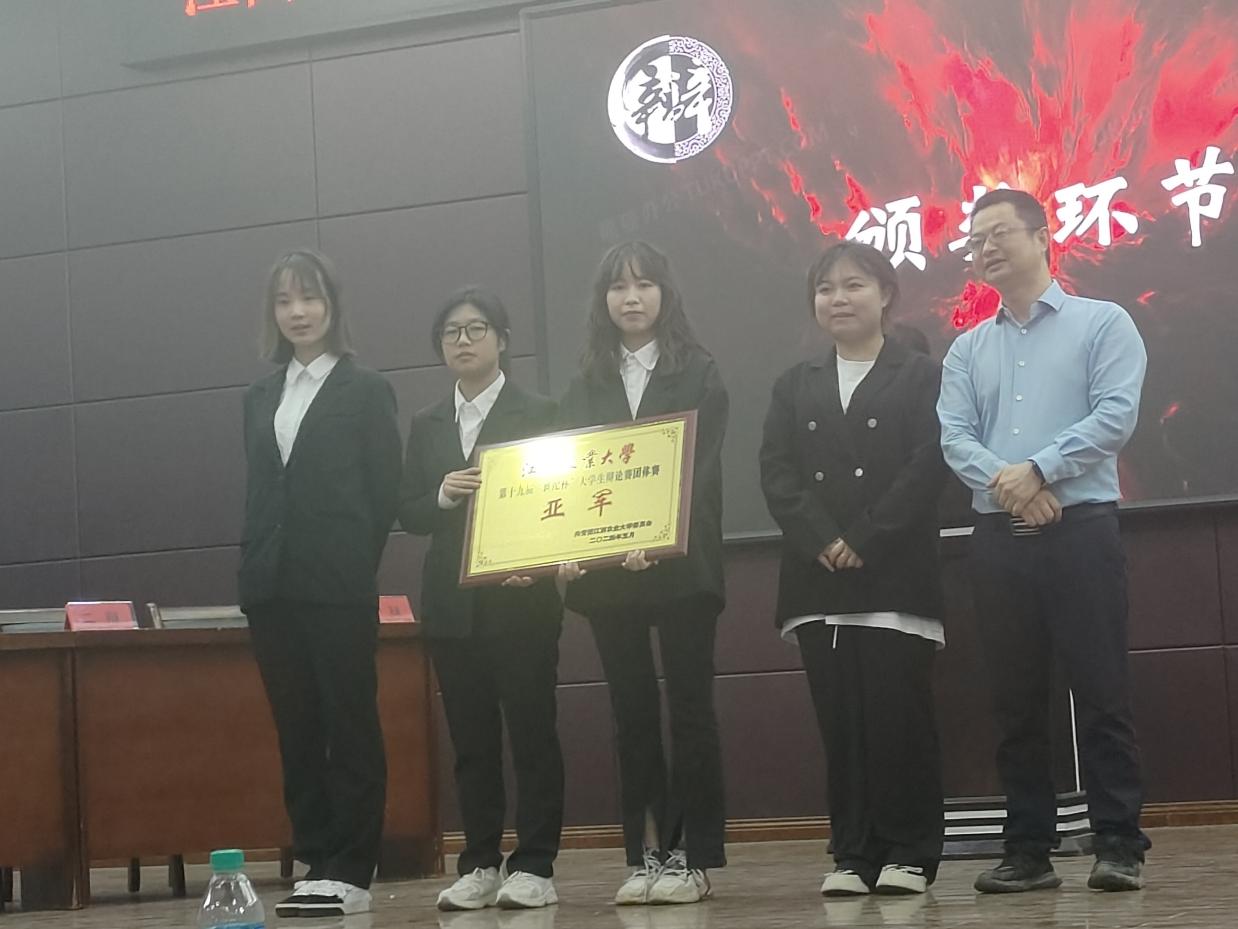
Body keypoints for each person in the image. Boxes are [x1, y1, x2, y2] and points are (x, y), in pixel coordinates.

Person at [937, 188, 1150, 893]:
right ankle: (1028, 848)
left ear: (1042, 237)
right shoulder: (968, 348)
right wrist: (1015, 486)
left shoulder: (1103, 323)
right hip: (999, 539)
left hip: (1081, 530)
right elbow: (955, 438)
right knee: (1015, 700)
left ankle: (1118, 842)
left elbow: (1114, 416)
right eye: (976, 241)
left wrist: (1038, 469)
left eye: (999, 233)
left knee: (1102, 689)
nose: (986, 248)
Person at [760, 241, 948, 897]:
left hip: (893, 573)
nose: (838, 299)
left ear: (886, 294)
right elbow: (777, 472)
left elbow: (928, 464)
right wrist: (822, 538)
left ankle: (909, 852)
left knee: (899, 719)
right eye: (826, 288)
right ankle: (852, 852)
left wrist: (866, 535)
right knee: (840, 724)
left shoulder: (922, 375)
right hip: (819, 579)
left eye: (854, 285)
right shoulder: (795, 382)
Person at [558, 241, 728, 906]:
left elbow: (701, 471)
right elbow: (573, 475)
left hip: (682, 568)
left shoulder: (699, 371)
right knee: (630, 713)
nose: (631, 298)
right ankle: (645, 853)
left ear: (665, 294)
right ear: (602, 300)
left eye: (644, 285)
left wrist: (658, 536)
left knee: (689, 709)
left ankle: (692, 856)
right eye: (618, 287)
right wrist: (572, 543)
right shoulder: (587, 381)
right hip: (610, 575)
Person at [238, 250, 402, 918]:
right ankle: (315, 856)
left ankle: (353, 866)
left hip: (337, 585)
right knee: (297, 726)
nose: (297, 312)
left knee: (349, 722)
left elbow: (384, 494)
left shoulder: (365, 389)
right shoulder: (259, 396)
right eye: (284, 301)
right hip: (270, 586)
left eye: (309, 298)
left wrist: (351, 563)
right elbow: (263, 489)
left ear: (332, 306)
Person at [399, 287, 565, 911]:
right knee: (470, 743)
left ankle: (536, 865)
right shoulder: (427, 423)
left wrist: (537, 562)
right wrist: (441, 494)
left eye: (476, 329)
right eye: (451, 332)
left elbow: (562, 500)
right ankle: (478, 863)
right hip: (452, 605)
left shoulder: (540, 411)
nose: (463, 341)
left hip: (523, 602)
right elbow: (409, 511)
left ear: (502, 340)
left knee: (532, 734)